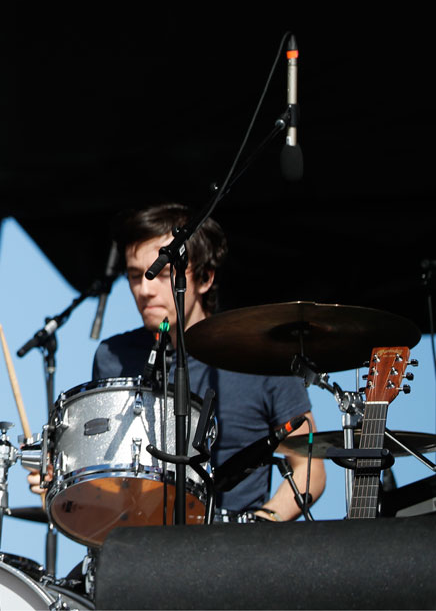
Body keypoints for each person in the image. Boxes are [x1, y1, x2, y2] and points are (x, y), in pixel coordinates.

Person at [31, 203, 325, 522]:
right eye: (134, 276)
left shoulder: (261, 354)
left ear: (204, 278)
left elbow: (310, 467)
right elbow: (110, 478)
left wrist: (260, 526)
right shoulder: (113, 357)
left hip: (237, 553)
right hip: (141, 548)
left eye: (163, 274)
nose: (144, 290)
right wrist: (63, 476)